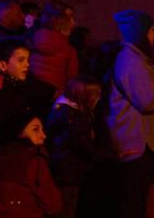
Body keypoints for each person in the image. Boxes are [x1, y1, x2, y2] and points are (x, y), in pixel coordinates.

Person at [106, 9, 154, 218]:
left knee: (136, 202)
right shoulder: (131, 61)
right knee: (132, 204)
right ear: (141, 32)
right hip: (136, 143)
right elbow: (147, 101)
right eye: (152, 29)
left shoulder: (137, 60)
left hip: (140, 142)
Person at [0, 112, 64, 218]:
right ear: (19, 132)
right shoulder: (33, 158)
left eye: (42, 130)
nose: (43, 136)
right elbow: (52, 204)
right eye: (35, 129)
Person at [46, 74, 103, 218]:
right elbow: (83, 145)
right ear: (86, 97)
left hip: (61, 169)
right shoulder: (75, 118)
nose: (99, 99)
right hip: (69, 172)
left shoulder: (61, 110)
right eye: (96, 95)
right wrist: (106, 156)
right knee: (67, 209)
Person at [31, 2, 79, 94]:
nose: (74, 22)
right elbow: (71, 79)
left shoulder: (32, 40)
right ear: (60, 21)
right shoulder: (69, 51)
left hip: (32, 91)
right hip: (56, 94)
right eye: (70, 18)